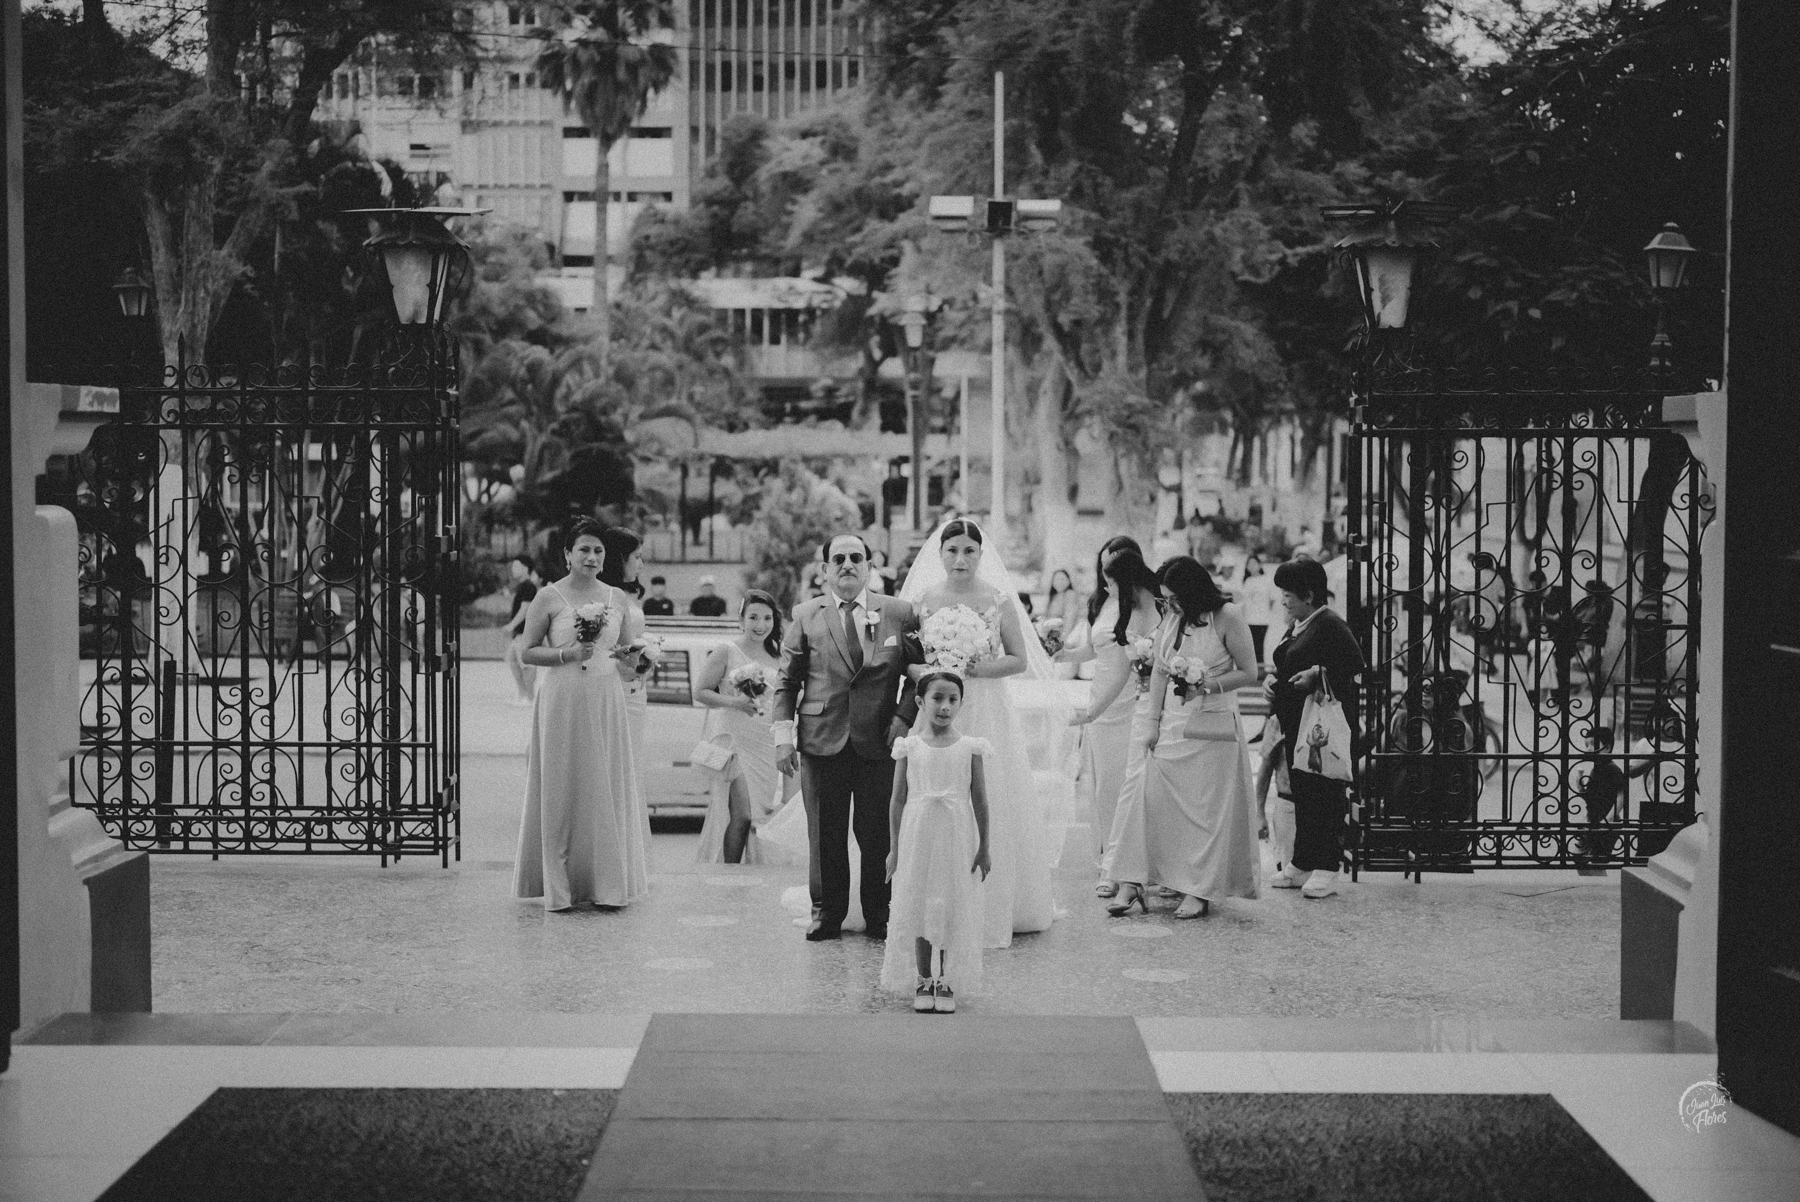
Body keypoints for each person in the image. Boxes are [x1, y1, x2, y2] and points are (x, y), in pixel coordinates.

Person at [899, 517, 1058, 948]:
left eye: (969, 551)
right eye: (952, 550)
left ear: (981, 555)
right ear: (940, 554)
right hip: (937, 706)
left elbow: (1018, 659)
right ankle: (933, 904)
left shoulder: (997, 600)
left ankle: (991, 903)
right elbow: (907, 660)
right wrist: (931, 671)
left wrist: (977, 667)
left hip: (985, 707)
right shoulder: (923, 600)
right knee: (933, 794)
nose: (960, 559)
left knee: (987, 794)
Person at [773, 533, 924, 941]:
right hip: (821, 740)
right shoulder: (806, 614)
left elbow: (919, 675)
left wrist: (903, 718)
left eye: (856, 557)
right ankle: (826, 913)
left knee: (877, 833)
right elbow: (787, 682)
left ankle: (879, 914)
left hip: (880, 740)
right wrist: (783, 737)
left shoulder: (899, 613)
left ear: (869, 567)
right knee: (825, 833)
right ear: (825, 570)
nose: (847, 565)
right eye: (838, 559)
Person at [1101, 557, 1262, 920]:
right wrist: (1152, 723)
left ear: (1193, 592)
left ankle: (1199, 888)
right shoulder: (1174, 617)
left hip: (1212, 725)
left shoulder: (1228, 616)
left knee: (1205, 813)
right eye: (1165, 600)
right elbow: (1160, 671)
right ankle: (1133, 880)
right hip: (1173, 723)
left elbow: (1249, 671)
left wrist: (1206, 685)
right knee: (1148, 798)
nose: (1169, 605)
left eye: (1174, 599)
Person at [511, 518, 649, 911]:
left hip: (605, 698)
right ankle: (560, 885)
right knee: (562, 784)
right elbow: (527, 651)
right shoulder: (548, 597)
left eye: (598, 550)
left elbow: (624, 652)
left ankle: (604, 883)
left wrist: (637, 660)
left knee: (603, 785)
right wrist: (567, 654)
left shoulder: (616, 598)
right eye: (584, 549)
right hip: (562, 697)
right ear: (568, 554)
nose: (591, 557)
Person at [882, 670, 992, 1013]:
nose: (945, 706)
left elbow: (980, 800)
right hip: (919, 832)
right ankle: (923, 977)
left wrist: (984, 846)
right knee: (919, 900)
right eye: (937, 699)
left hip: (955, 833)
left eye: (953, 700)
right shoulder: (909, 746)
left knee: (947, 900)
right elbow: (897, 799)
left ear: (961, 704)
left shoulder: (970, 747)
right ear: (920, 702)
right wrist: (894, 849)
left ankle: (945, 978)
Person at [1061, 538, 1161, 899]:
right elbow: (1095, 649)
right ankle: (1108, 857)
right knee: (1103, 784)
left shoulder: (1143, 605)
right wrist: (1059, 653)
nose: (1106, 578)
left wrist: (1093, 711)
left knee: (1129, 784)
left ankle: (1124, 865)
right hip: (1100, 696)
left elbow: (1125, 666)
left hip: (1128, 700)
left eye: (1112, 571)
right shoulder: (1102, 601)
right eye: (1103, 568)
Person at [1263, 557, 1364, 899]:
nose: (1283, 600)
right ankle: (1302, 861)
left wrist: (1318, 675)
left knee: (1325, 794)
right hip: (1298, 726)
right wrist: (1273, 680)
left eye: (1288, 594)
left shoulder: (1330, 624)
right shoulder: (1300, 624)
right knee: (1304, 793)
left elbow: (1355, 665)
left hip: (1321, 730)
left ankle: (1327, 867)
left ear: (1308, 595)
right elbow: (1287, 660)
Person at [693, 591, 792, 864]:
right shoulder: (726, 650)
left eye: (767, 618)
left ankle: (747, 871)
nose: (761, 625)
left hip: (765, 742)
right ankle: (729, 872)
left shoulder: (779, 655)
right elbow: (700, 692)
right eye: (753, 617)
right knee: (742, 814)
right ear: (741, 620)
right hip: (734, 740)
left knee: (758, 816)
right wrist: (735, 702)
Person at [599, 527, 654, 772]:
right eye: (637, 557)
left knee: (633, 757)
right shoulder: (601, 594)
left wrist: (648, 655)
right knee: (612, 757)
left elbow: (632, 635)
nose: (641, 564)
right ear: (619, 558)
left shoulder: (630, 591)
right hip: (609, 683)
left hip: (635, 686)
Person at [502, 557, 542, 705]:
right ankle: (523, 695)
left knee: (526, 664)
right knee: (513, 660)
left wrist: (511, 625)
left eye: (516, 566)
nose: (513, 569)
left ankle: (529, 697)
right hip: (519, 632)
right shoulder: (523, 586)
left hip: (525, 632)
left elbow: (525, 609)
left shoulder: (528, 586)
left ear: (525, 568)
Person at [1237, 554, 1280, 668]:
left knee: (1260, 644)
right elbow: (1244, 600)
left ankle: (1260, 668)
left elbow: (1272, 599)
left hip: (1263, 618)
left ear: (1260, 565)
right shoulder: (1248, 581)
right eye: (1249, 564)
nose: (1251, 566)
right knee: (1251, 645)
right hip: (1249, 618)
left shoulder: (1267, 579)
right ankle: (1252, 669)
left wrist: (1264, 611)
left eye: (1254, 563)